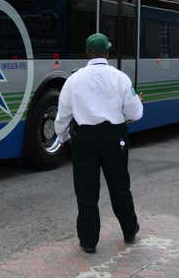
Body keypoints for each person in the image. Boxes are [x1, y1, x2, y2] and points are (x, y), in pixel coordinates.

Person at [54, 33, 143, 254]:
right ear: (107, 52)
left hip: (84, 139)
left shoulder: (73, 80)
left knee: (86, 192)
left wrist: (64, 138)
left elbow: (62, 116)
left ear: (87, 53)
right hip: (115, 137)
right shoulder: (120, 78)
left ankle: (88, 241)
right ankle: (129, 231)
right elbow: (135, 112)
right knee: (120, 187)